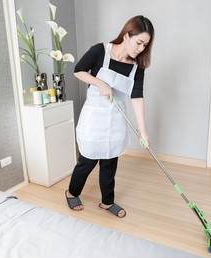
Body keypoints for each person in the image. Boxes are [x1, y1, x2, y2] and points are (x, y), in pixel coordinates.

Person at [65, 15, 155, 218]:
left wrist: (143, 132)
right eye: (138, 42)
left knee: (109, 162)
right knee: (87, 161)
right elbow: (78, 71)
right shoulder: (100, 51)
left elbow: (137, 97)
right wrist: (100, 83)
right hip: (94, 119)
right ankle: (72, 192)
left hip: (115, 120)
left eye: (145, 45)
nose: (140, 49)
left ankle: (107, 202)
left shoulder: (136, 66)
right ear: (126, 35)